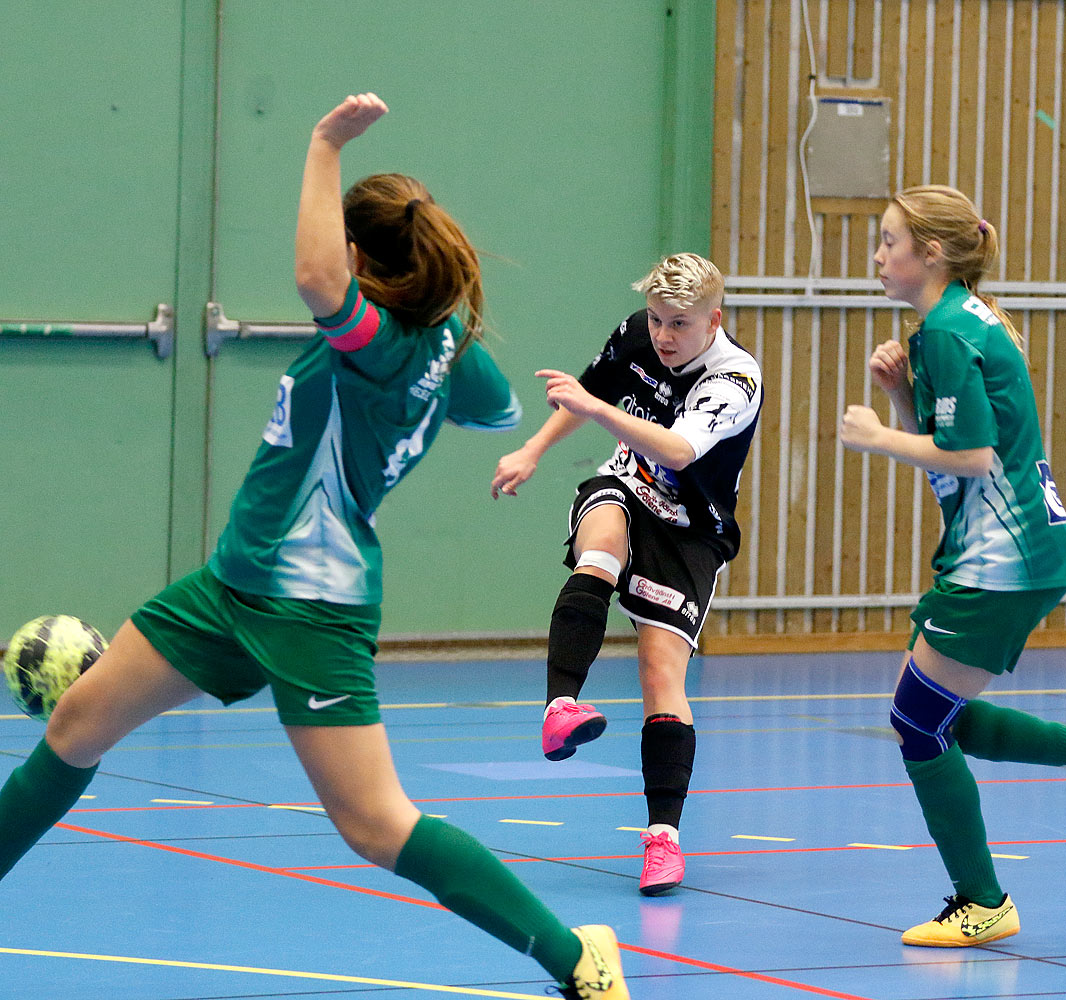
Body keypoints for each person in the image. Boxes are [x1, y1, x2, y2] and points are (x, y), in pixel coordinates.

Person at [0, 94, 628, 1000]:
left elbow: (312, 277)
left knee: (375, 824)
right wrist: (448, 346)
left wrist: (324, 142)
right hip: (230, 585)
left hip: (311, 608)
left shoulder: (374, 345)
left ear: (365, 260)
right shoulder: (440, 347)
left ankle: (576, 955)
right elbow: (500, 409)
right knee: (74, 729)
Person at [838, 184, 1066, 948]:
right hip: (1010, 550)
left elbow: (973, 456)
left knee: (918, 721)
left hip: (1002, 558)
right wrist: (905, 397)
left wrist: (879, 434)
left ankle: (983, 901)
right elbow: (955, 457)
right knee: (933, 715)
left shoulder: (946, 331)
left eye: (890, 242)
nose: (879, 256)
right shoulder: (953, 325)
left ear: (933, 253)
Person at [491, 253, 762, 896]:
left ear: (713, 320)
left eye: (680, 325)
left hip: (691, 530)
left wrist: (597, 407)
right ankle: (561, 705)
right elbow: (589, 393)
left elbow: (674, 448)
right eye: (658, 320)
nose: (664, 336)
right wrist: (532, 449)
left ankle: (663, 840)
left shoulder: (735, 379)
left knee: (659, 672)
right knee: (600, 550)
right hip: (626, 483)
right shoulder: (636, 333)